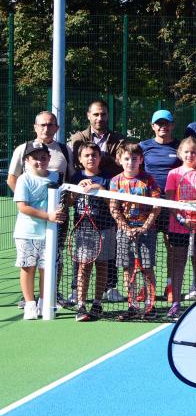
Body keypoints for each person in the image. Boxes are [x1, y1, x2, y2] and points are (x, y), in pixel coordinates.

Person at [108, 142, 162, 320]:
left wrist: (144, 227)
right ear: (119, 160)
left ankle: (150, 305)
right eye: (126, 158)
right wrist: (126, 228)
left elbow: (157, 206)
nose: (130, 162)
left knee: (147, 268)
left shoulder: (149, 180)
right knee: (127, 269)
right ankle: (132, 305)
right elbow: (114, 208)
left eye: (134, 158)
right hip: (125, 231)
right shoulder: (115, 181)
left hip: (146, 231)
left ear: (141, 160)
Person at [13, 143, 64, 320]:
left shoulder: (56, 176)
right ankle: (30, 304)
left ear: (49, 158)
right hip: (27, 233)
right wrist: (48, 216)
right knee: (28, 268)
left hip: (50, 234)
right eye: (35, 158)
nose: (39, 161)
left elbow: (62, 200)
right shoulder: (23, 179)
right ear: (27, 160)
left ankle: (44, 301)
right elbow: (23, 207)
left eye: (43, 157)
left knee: (46, 269)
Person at [69, 143, 117, 321]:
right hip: (83, 231)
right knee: (84, 267)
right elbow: (69, 202)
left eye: (94, 155)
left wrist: (101, 190)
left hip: (105, 228)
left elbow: (113, 204)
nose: (91, 158)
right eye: (87, 155)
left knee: (102, 265)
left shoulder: (107, 179)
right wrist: (77, 189)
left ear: (99, 158)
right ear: (80, 159)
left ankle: (97, 303)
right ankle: (81, 304)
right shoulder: (75, 177)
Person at [164, 137, 196, 318]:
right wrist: (182, 219)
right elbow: (170, 200)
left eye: (194, 152)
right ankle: (175, 303)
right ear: (180, 153)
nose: (190, 155)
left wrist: (193, 204)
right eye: (186, 151)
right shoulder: (173, 174)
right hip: (178, 226)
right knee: (178, 264)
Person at [139, 109, 180, 303]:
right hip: (148, 204)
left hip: (172, 204)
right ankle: (146, 287)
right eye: (159, 123)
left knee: (172, 246)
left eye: (166, 123)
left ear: (172, 125)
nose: (163, 126)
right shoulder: (144, 146)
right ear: (153, 126)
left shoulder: (180, 147)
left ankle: (171, 285)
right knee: (146, 246)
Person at [8, 111, 70, 192]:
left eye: (50, 125)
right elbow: (12, 179)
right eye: (42, 125)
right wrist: (23, 199)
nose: (46, 129)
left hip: (57, 203)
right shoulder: (23, 149)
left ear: (57, 128)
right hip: (31, 204)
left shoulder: (65, 150)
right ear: (35, 127)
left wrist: (67, 200)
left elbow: (71, 178)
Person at [69, 100, 127, 177]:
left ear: (108, 115)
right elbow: (78, 163)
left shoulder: (119, 140)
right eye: (96, 114)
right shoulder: (79, 138)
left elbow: (121, 163)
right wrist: (109, 159)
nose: (100, 118)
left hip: (111, 183)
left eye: (103, 114)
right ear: (88, 116)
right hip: (85, 182)